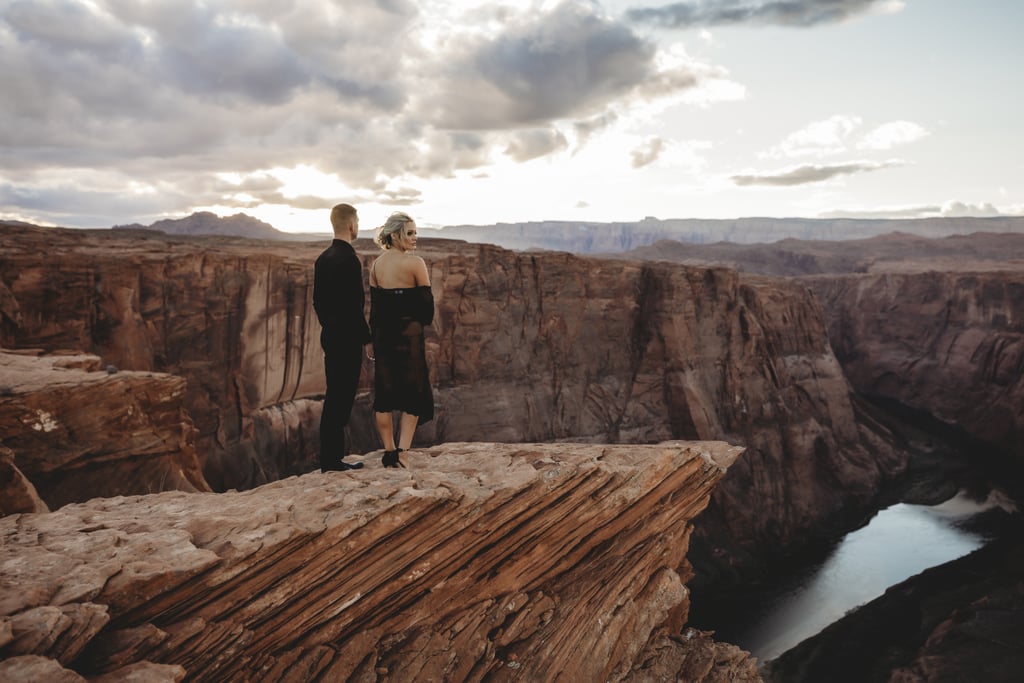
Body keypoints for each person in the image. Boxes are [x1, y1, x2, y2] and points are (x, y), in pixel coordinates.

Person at [369, 212, 434, 467]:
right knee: (413, 394)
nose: (415, 237)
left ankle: (388, 451)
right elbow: (427, 308)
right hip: (410, 338)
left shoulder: (375, 265)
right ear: (395, 235)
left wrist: (371, 341)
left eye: (416, 232)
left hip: (384, 338)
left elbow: (374, 311)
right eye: (410, 233)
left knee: (384, 394)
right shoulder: (416, 264)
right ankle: (403, 452)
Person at [313, 203, 370, 471]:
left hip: (331, 337)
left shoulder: (323, 258)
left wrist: (330, 326)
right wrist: (366, 338)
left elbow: (318, 302)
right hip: (347, 340)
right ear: (351, 225)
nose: (357, 226)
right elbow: (355, 305)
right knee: (341, 399)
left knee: (334, 396)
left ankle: (330, 458)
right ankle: (332, 461)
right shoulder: (349, 259)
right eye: (357, 222)